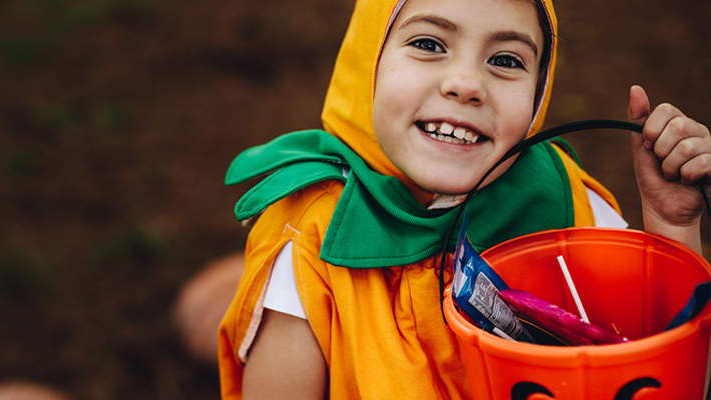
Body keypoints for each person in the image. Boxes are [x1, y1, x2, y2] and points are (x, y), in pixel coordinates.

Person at [217, 0, 711, 398]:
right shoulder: (312, 237)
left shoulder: (564, 200)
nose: (466, 84)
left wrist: (672, 229)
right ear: (368, 59)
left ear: (539, 91)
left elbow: (676, 380)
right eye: (429, 43)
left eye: (506, 60)